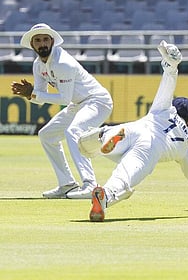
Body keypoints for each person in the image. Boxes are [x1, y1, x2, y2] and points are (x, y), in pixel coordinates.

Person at [79, 40, 188, 222]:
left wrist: (171, 66)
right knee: (124, 178)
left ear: (174, 108)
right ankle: (105, 195)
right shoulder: (185, 145)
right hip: (151, 148)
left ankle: (103, 137)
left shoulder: (165, 109)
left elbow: (167, 86)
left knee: (85, 148)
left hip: (136, 129)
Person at [10, 23, 113, 199]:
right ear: (32, 45)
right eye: (37, 40)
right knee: (47, 135)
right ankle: (67, 184)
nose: (42, 44)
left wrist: (33, 94)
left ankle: (90, 185)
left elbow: (63, 100)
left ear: (52, 41)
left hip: (97, 101)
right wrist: (30, 95)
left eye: (45, 39)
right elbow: (41, 99)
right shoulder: (38, 65)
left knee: (74, 131)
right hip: (78, 103)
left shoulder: (63, 63)